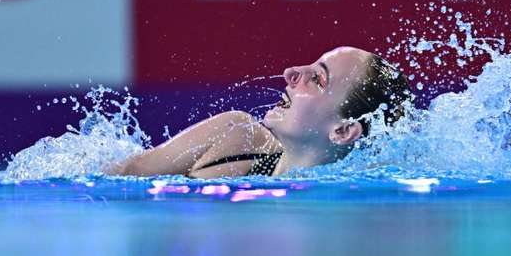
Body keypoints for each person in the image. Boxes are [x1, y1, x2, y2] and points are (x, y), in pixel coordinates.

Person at [106, 47, 412, 178]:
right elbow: (119, 176)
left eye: (317, 79)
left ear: (343, 131)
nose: (291, 73)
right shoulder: (235, 137)